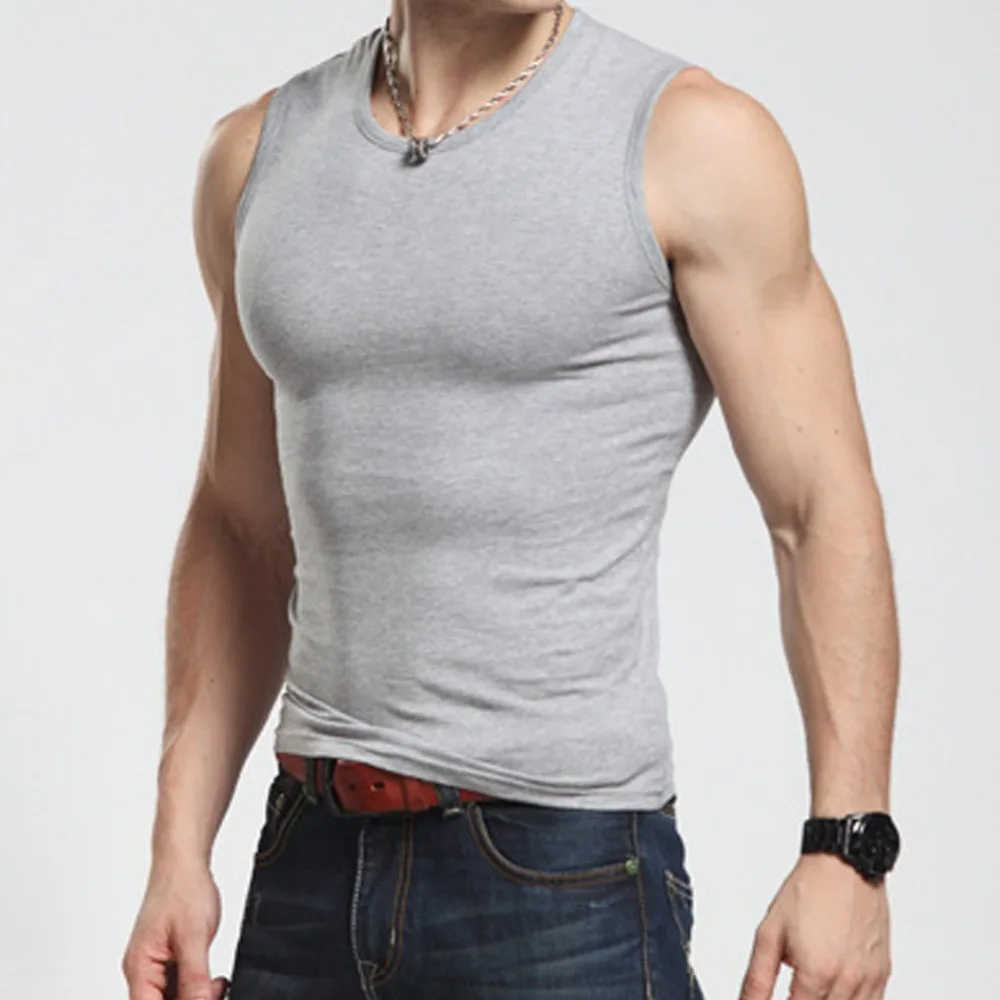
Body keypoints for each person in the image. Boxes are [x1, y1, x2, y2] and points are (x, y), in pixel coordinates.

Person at [122, 2, 902, 999]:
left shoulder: (693, 141)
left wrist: (847, 845)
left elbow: (820, 506)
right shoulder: (256, 157)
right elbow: (239, 525)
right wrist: (178, 847)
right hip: (309, 864)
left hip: (561, 875)